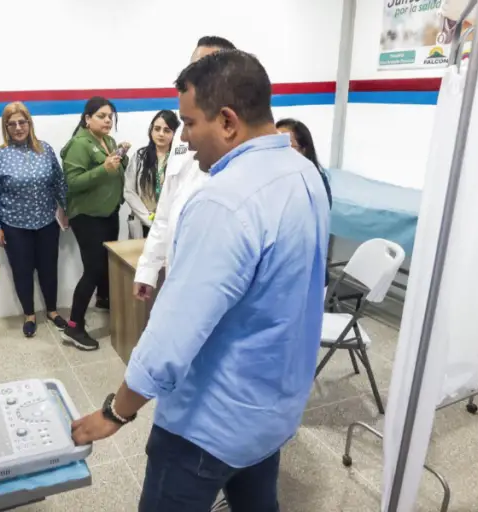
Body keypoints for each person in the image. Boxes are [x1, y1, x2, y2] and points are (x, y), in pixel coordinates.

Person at [70, 50, 330, 512]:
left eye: (189, 124)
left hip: (208, 424)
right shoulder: (304, 173)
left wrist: (116, 410)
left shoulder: (225, 200)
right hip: (271, 407)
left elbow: (174, 333)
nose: (185, 139)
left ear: (227, 121)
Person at [133, 35, 236, 302]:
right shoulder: (182, 140)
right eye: (193, 67)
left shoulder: (242, 146)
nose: (195, 76)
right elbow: (166, 212)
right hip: (178, 278)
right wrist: (148, 269)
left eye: (206, 68)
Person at [0, 102, 69, 338]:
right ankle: (29, 315)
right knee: (22, 271)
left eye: (23, 122)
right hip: (14, 225)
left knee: (49, 269)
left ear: (29, 123)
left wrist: (67, 209)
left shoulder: (45, 149)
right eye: (12, 124)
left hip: (46, 222)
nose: (18, 128)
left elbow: (59, 182)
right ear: (6, 127)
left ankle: (52, 310)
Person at [59, 97, 130, 351]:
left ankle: (103, 299)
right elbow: (74, 182)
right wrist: (104, 168)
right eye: (101, 115)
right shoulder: (79, 144)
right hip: (87, 216)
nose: (108, 120)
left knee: (105, 265)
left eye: (110, 116)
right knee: (93, 269)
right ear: (87, 119)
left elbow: (113, 171)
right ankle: (74, 326)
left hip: (108, 213)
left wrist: (122, 157)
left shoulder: (108, 141)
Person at [124, 110, 180, 238]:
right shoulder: (139, 156)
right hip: (143, 221)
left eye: (167, 130)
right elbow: (129, 191)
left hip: (168, 224)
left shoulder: (178, 158)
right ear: (151, 130)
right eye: (157, 129)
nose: (161, 134)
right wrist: (148, 218)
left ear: (174, 134)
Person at [276, 118, 332, 207]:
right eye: (275, 146)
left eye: (285, 147)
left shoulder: (316, 181)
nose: (278, 152)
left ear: (303, 150)